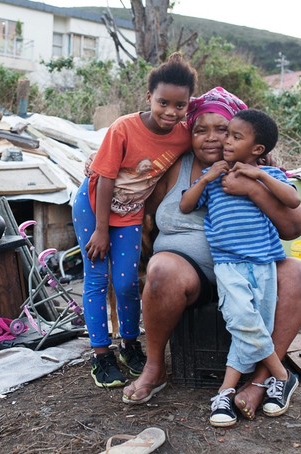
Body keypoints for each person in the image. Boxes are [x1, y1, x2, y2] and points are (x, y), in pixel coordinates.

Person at [122, 87, 301, 423]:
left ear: (246, 138)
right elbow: (142, 208)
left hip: (250, 268)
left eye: (223, 130)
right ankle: (155, 368)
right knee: (162, 268)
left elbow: (294, 226)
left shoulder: (258, 168)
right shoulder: (175, 166)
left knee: (296, 272)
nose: (212, 139)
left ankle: (262, 380)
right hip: (188, 275)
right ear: (189, 133)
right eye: (199, 130)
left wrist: (253, 188)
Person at [72, 53, 198, 388]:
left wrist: (263, 152)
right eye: (163, 102)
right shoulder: (124, 128)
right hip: (93, 205)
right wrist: (100, 230)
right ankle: (101, 355)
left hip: (129, 213)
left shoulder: (183, 135)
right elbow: (105, 178)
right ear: (149, 98)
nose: (171, 112)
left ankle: (130, 345)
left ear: (188, 104)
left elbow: (218, 131)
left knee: (127, 283)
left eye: (180, 105)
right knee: (97, 278)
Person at [179, 109, 301, 427]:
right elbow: (186, 204)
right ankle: (281, 375)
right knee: (243, 319)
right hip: (228, 264)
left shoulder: (269, 176)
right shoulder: (214, 176)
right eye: (227, 134)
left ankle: (226, 391)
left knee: (253, 323)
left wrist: (258, 177)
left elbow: (292, 201)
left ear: (258, 149)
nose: (225, 140)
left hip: (263, 263)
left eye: (235, 136)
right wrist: (206, 177)